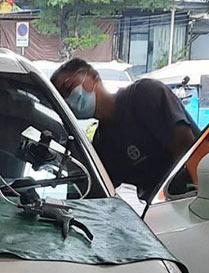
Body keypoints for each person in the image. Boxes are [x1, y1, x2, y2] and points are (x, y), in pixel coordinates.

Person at [51, 58, 200, 199]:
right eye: (62, 100)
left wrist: (202, 195)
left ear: (93, 75)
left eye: (69, 88)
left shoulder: (144, 95)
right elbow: (94, 191)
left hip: (199, 191)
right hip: (163, 207)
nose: (68, 100)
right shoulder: (103, 145)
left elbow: (186, 147)